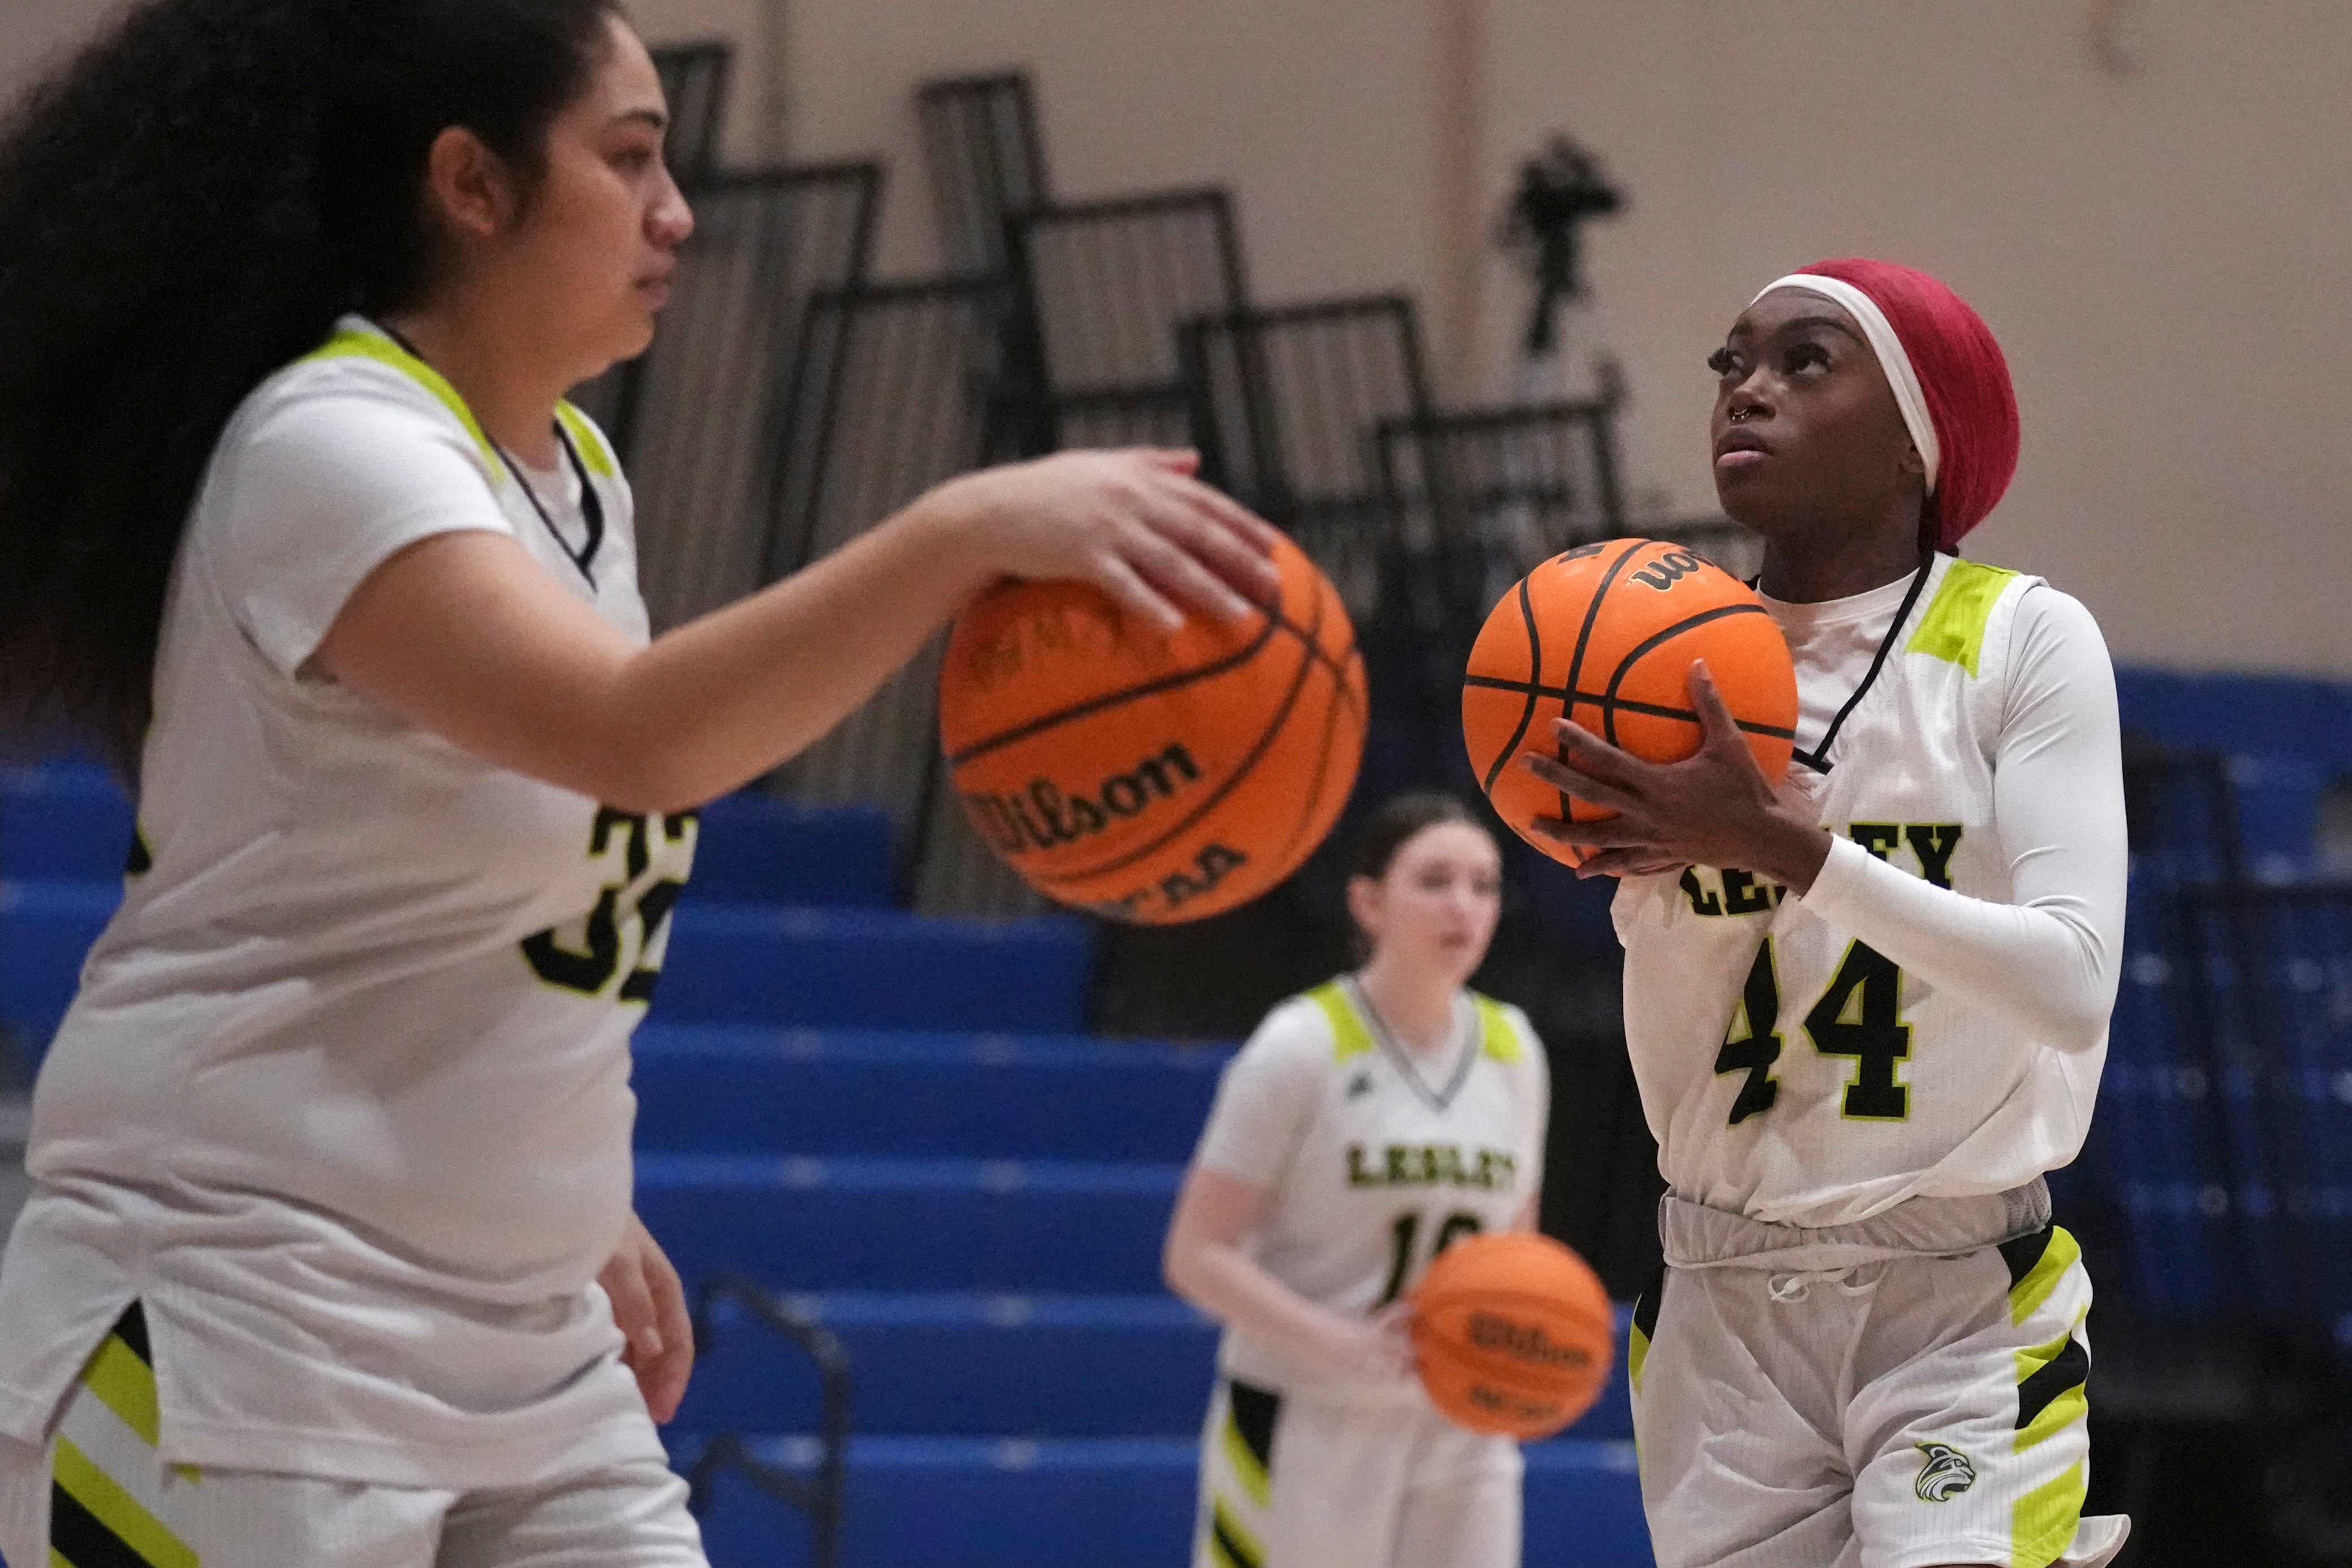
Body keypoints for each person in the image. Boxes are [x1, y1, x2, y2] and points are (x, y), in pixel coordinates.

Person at [0, 2, 1277, 1562]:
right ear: (471, 185)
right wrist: (957, 531)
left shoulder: (577, 479)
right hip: (237, 1309)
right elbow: (634, 731)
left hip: (523, 1342)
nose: (676, 212)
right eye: (627, 160)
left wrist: (556, 1191)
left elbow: (499, 899)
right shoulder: (327, 445)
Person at [1522, 259, 2130, 1568]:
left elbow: (2076, 984)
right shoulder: (1639, 656)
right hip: (1719, 1295)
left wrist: (1803, 857)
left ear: (1921, 439)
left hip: (1954, 1295)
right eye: (1732, 363)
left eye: (1807, 362)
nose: (1748, 390)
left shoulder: (2019, 637)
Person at [1163, 793, 1549, 1568]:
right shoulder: (1299, 1047)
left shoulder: (1515, 1048)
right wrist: (1341, 1344)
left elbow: (1517, 1250)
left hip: (1459, 1423)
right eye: (1435, 881)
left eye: (1484, 884)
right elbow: (1196, 1254)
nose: (1463, 907)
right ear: (1368, 902)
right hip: (1307, 1414)